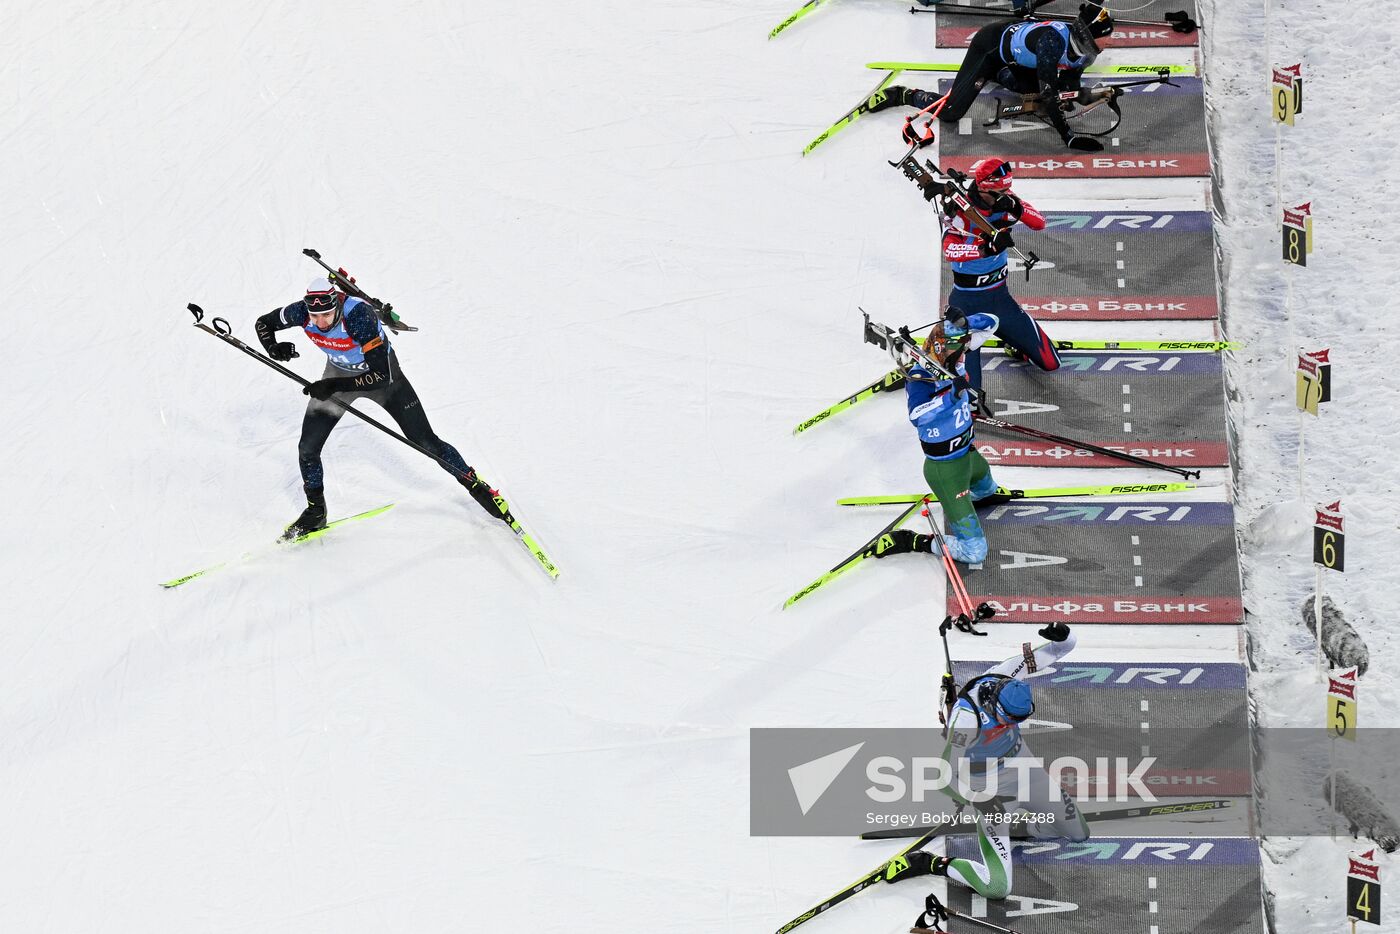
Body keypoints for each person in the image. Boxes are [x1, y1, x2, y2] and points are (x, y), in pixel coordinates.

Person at [254, 277, 502, 539]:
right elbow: (263, 323)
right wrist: (273, 348)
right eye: (315, 317)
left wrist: (332, 385)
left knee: (426, 442)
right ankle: (316, 512)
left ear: (336, 304)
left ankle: (477, 487)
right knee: (307, 448)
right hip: (338, 375)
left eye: (326, 315)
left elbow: (380, 376)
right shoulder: (302, 312)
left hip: (385, 380)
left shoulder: (358, 315)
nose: (321, 323)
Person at [883, 622, 1088, 899]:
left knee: (1078, 834)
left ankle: (1019, 827)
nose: (1012, 724)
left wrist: (1065, 636)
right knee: (997, 888)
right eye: (1009, 719)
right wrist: (980, 800)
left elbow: (1056, 651)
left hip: (1026, 771)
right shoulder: (966, 719)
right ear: (994, 705)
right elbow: (944, 777)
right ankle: (931, 863)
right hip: (990, 789)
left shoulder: (1005, 675)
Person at [872, 3, 1114, 152]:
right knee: (951, 113)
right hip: (989, 47)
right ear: (1088, 34)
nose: (1110, 42)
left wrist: (1096, 95)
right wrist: (1068, 138)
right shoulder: (1051, 43)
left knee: (1045, 90)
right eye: (1107, 36)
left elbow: (1070, 85)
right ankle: (903, 94)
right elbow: (1050, 97)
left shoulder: (1086, 52)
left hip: (1016, 53)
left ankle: (1001, 74)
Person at [874, 312, 1003, 565]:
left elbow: (993, 323)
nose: (966, 353)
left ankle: (968, 501)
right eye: (962, 350)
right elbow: (917, 415)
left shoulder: (954, 359)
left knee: (988, 490)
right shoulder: (921, 379)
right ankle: (913, 540)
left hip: (969, 455)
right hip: (946, 471)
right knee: (974, 553)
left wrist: (967, 322)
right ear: (947, 351)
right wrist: (950, 397)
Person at [937, 157, 1059, 392]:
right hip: (967, 307)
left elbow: (1039, 223)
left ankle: (1013, 344)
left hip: (1000, 300)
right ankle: (950, 350)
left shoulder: (1005, 201)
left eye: (1008, 189)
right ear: (984, 188)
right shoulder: (958, 210)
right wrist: (986, 248)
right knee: (971, 395)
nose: (1006, 195)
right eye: (1000, 191)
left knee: (1051, 363)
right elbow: (950, 250)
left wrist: (1016, 207)